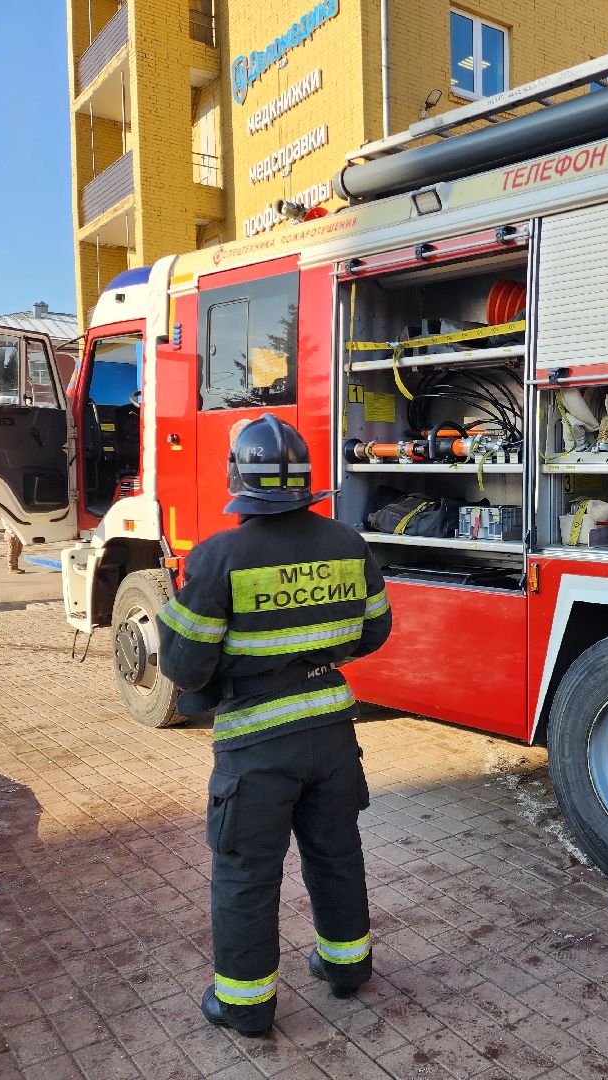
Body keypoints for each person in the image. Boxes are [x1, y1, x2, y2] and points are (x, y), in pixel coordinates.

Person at [157, 414, 392, 1039]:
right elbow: (374, 631)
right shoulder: (348, 543)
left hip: (256, 743)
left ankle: (245, 1004)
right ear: (305, 481)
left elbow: (183, 666)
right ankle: (346, 967)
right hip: (334, 732)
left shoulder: (216, 558)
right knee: (336, 852)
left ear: (238, 478)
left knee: (246, 870)